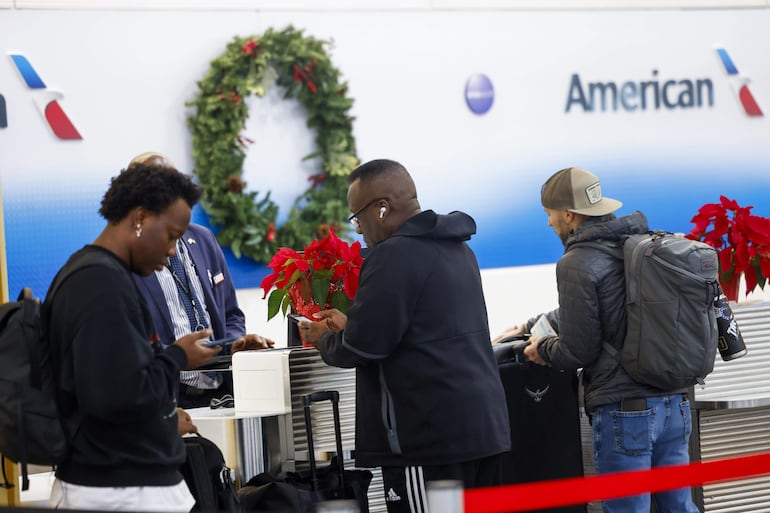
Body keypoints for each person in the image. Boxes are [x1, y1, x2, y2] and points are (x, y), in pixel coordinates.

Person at [299, 159, 511, 513]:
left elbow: (364, 347)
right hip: (481, 431)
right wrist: (353, 324)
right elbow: (424, 330)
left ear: (381, 208)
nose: (359, 230)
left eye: (357, 217)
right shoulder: (458, 248)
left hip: (426, 439)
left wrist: (324, 338)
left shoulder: (392, 255)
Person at [495, 166, 700, 513]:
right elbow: (609, 310)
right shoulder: (637, 246)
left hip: (627, 412)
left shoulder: (577, 261)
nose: (548, 223)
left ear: (569, 215)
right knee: (679, 507)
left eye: (549, 214)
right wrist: (532, 324)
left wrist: (540, 349)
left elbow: (579, 349)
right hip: (674, 404)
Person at [46, 162, 222, 511]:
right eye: (171, 236)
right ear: (140, 218)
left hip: (125, 485)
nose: (173, 251)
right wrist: (175, 358)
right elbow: (115, 397)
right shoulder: (99, 284)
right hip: (116, 492)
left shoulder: (101, 277)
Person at [129, 152, 274, 410]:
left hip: (223, 393)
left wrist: (233, 344)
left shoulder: (204, 239)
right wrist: (179, 357)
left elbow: (231, 314)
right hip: (169, 398)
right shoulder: (130, 257)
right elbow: (131, 346)